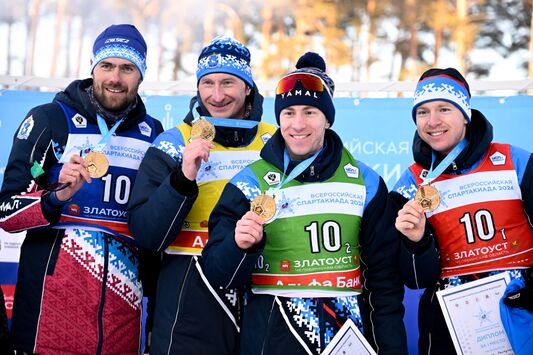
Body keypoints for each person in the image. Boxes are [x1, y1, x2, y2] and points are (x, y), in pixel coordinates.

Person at [202, 52, 407, 355]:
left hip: (347, 339)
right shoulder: (249, 182)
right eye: (289, 113)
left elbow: (385, 284)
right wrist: (239, 246)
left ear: (327, 118)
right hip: (273, 339)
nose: (298, 124)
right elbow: (219, 275)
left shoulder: (366, 181)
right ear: (279, 118)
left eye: (310, 112)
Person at [0, 24, 163, 353]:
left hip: (122, 313)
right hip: (50, 312)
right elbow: (5, 212)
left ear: (141, 75)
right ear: (93, 69)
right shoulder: (51, 119)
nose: (115, 77)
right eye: (107, 66)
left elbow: (155, 225)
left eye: (127, 68)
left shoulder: (153, 133)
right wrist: (57, 196)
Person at [127, 36, 276, 354]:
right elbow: (148, 234)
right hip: (188, 300)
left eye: (228, 82)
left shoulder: (274, 142)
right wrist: (184, 177)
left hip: (261, 289)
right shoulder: (173, 142)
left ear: (248, 87)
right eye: (207, 83)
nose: (217, 95)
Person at [392, 67, 533, 354]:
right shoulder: (411, 183)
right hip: (451, 326)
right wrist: (416, 243)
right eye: (422, 112)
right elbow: (415, 279)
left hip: (518, 312)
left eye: (444, 109)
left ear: (464, 114)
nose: (433, 121)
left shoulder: (515, 161)